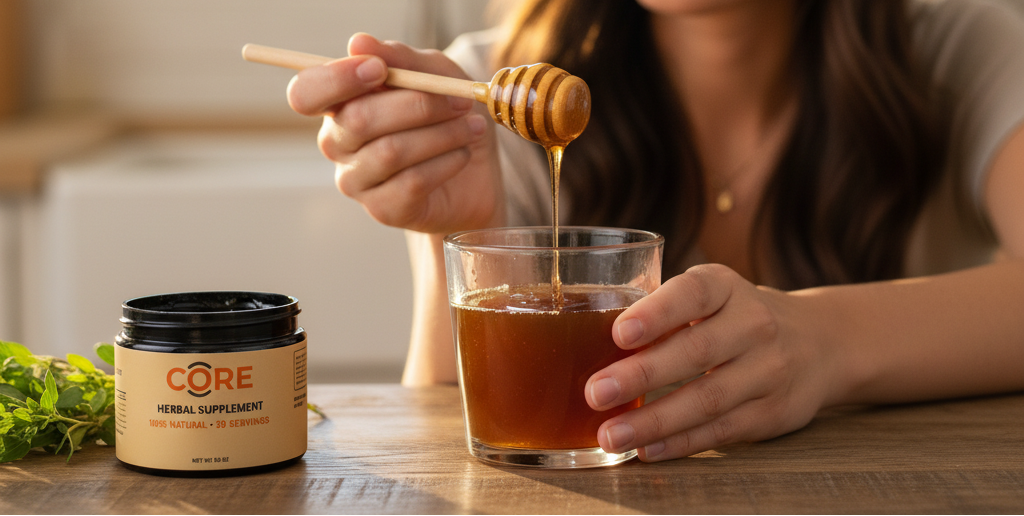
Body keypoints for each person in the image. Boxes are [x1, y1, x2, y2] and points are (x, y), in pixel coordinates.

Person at [285, 0, 1024, 462]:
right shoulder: (489, 91)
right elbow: (472, 442)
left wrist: (825, 341)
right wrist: (468, 228)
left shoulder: (965, 50)